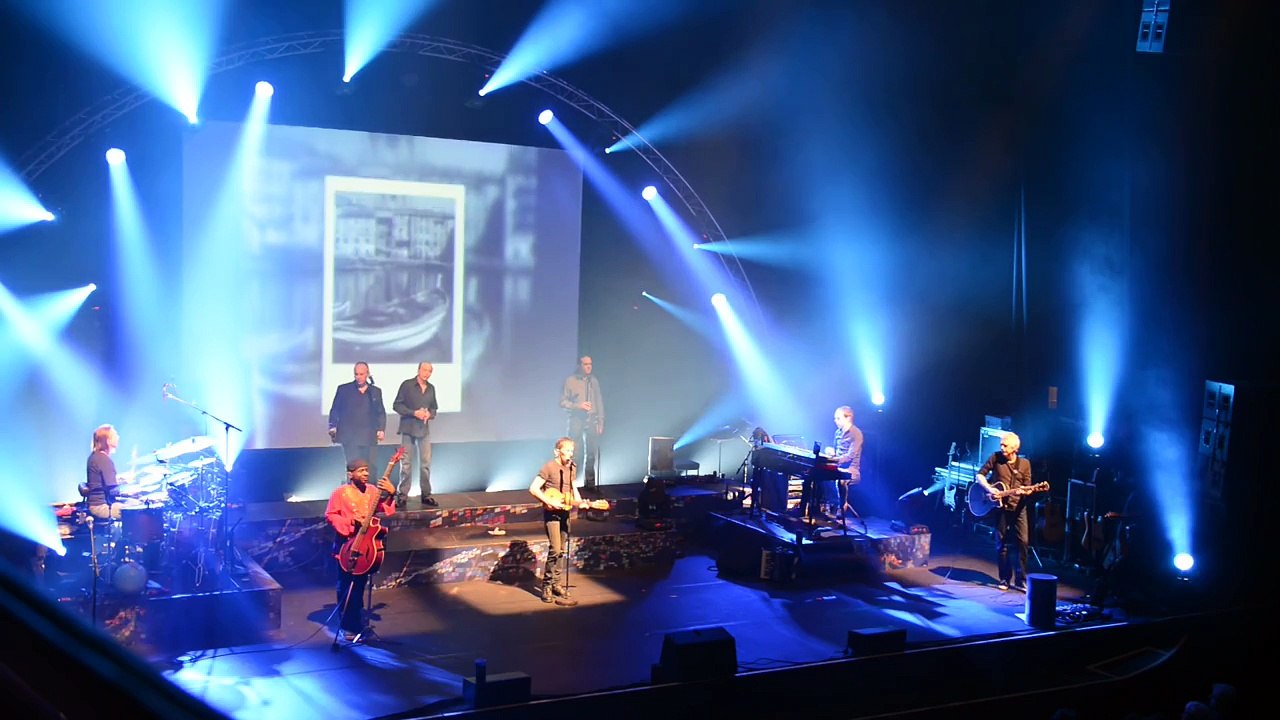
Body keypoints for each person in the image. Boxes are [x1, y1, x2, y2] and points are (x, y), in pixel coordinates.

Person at [324, 458, 397, 642]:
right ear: (350, 474)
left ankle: (357, 621)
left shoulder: (373, 490)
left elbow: (383, 508)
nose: (366, 474)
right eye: (361, 471)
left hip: (366, 547)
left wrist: (391, 494)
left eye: (367, 470)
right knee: (345, 585)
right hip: (347, 545)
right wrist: (350, 522)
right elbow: (331, 515)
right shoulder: (340, 493)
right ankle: (347, 625)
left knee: (359, 586)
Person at [529, 437, 588, 606]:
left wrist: (581, 502)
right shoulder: (549, 467)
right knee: (555, 548)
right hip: (552, 512)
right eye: (567, 450)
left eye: (571, 451)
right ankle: (546, 585)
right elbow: (533, 488)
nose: (570, 454)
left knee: (562, 550)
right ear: (557, 451)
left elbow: (573, 487)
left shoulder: (571, 467)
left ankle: (556, 583)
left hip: (565, 512)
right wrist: (548, 501)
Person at [974, 431, 1033, 591]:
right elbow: (980, 475)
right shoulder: (996, 457)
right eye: (1001, 444)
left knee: (1023, 542)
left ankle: (1021, 580)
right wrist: (989, 489)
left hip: (1019, 509)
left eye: (1005, 445)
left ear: (1014, 448)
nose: (1001, 447)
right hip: (1001, 508)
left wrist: (1024, 491)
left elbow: (1028, 487)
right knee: (1002, 545)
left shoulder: (1025, 464)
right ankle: (1004, 579)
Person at [392, 362, 439, 507]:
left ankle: (426, 494)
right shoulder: (407, 385)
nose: (426, 373)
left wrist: (428, 414)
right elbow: (397, 405)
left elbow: (434, 409)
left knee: (425, 464)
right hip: (408, 428)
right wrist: (414, 413)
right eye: (424, 370)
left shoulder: (431, 388)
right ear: (418, 370)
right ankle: (403, 495)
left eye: (429, 371)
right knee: (406, 464)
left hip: (424, 430)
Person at [327, 361, 386, 469]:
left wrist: (381, 429)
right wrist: (332, 426)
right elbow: (335, 409)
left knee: (368, 467)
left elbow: (380, 411)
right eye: (356, 374)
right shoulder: (344, 390)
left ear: (367, 374)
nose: (358, 377)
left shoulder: (374, 391)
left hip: (368, 436)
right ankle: (352, 486)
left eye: (361, 374)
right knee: (353, 467)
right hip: (350, 436)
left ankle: (368, 486)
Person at [560, 355, 604, 493]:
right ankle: (569, 483)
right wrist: (578, 406)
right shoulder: (570, 381)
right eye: (586, 364)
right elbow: (563, 402)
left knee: (591, 453)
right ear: (580, 365)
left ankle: (590, 484)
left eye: (590, 364)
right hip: (576, 420)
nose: (589, 367)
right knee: (574, 452)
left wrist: (601, 420)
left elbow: (599, 401)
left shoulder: (593, 381)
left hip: (591, 420)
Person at [828, 405, 864, 517]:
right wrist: (830, 452)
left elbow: (850, 456)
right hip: (837, 466)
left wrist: (834, 460)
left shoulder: (856, 433)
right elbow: (836, 452)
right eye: (835, 418)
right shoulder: (837, 433)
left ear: (848, 417)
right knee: (814, 476)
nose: (835, 421)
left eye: (838, 418)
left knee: (841, 480)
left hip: (851, 469)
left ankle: (841, 508)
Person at [85, 424, 122, 521]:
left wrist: (121, 480)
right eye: (115, 435)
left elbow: (101, 482)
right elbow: (113, 490)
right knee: (137, 508)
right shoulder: (103, 459)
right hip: (102, 507)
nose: (118, 437)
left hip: (95, 505)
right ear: (108, 440)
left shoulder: (95, 456)